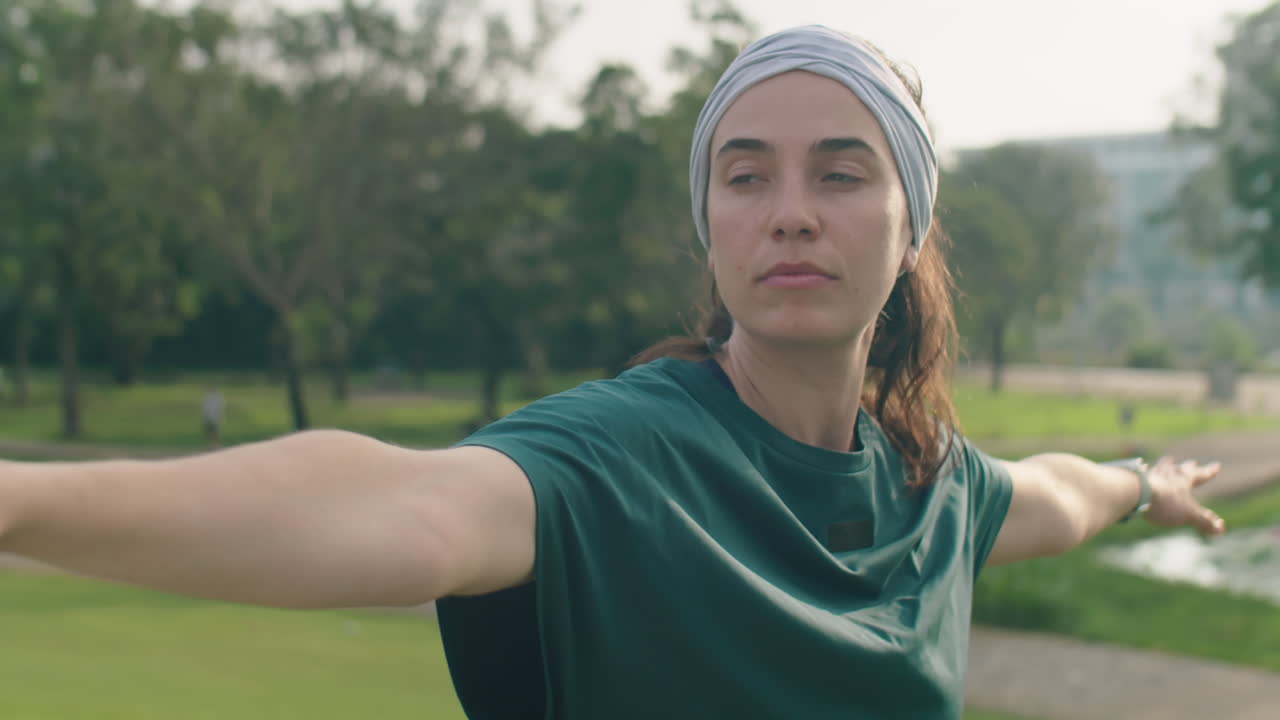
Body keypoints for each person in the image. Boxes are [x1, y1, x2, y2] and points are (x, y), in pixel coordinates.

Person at [0, 25, 1225, 719]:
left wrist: (1139, 479)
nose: (788, 212)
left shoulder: (933, 485)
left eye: (840, 172)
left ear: (910, 232)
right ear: (712, 225)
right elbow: (410, 508)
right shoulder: (621, 462)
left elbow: (1058, 495)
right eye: (745, 176)